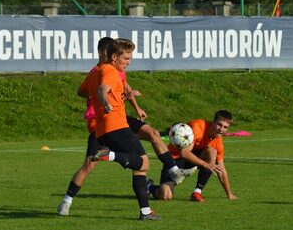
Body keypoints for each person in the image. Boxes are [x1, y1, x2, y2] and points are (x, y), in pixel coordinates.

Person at [57, 38, 196, 219]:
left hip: (105, 128)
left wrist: (121, 98)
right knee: (143, 162)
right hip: (115, 125)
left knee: (141, 163)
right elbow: (102, 89)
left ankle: (145, 211)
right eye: (126, 59)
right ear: (112, 56)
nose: (129, 63)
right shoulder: (110, 71)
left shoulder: (96, 73)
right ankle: (111, 156)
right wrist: (105, 101)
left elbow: (92, 90)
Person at [148, 110, 238, 203]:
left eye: (225, 127)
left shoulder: (218, 141)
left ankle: (197, 192)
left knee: (212, 152)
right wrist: (207, 165)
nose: (221, 129)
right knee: (165, 196)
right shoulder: (197, 127)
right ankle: (150, 187)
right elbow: (184, 153)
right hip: (174, 159)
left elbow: (221, 169)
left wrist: (229, 194)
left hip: (192, 161)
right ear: (213, 122)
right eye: (219, 124)